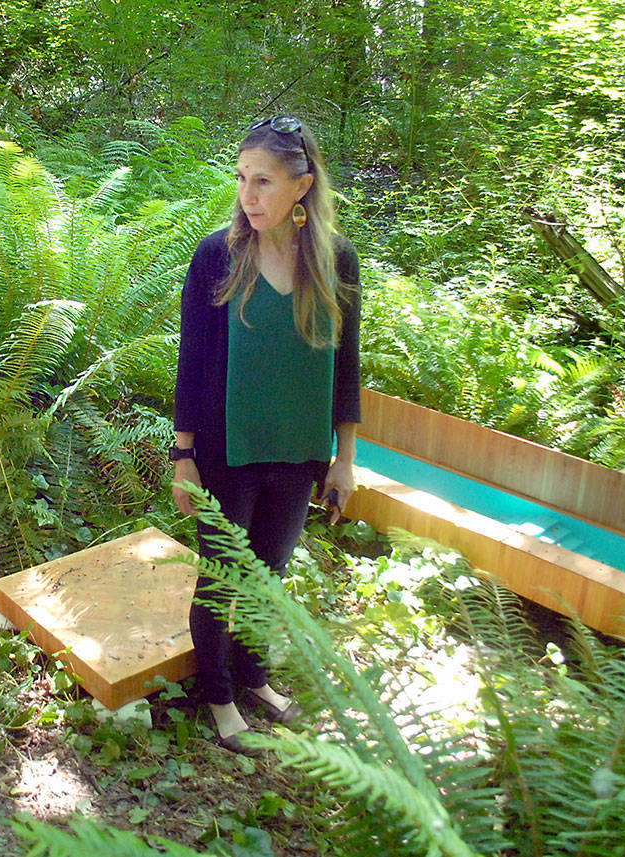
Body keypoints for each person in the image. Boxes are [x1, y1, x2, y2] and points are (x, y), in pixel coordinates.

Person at [171, 115, 361, 754]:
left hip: (301, 450)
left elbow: (345, 366)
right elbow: (192, 362)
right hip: (229, 450)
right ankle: (219, 696)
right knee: (222, 576)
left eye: (264, 182)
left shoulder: (337, 262)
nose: (248, 197)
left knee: (269, 575)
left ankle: (254, 677)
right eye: (242, 180)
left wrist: (344, 458)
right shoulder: (217, 257)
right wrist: (183, 456)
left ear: (302, 187)